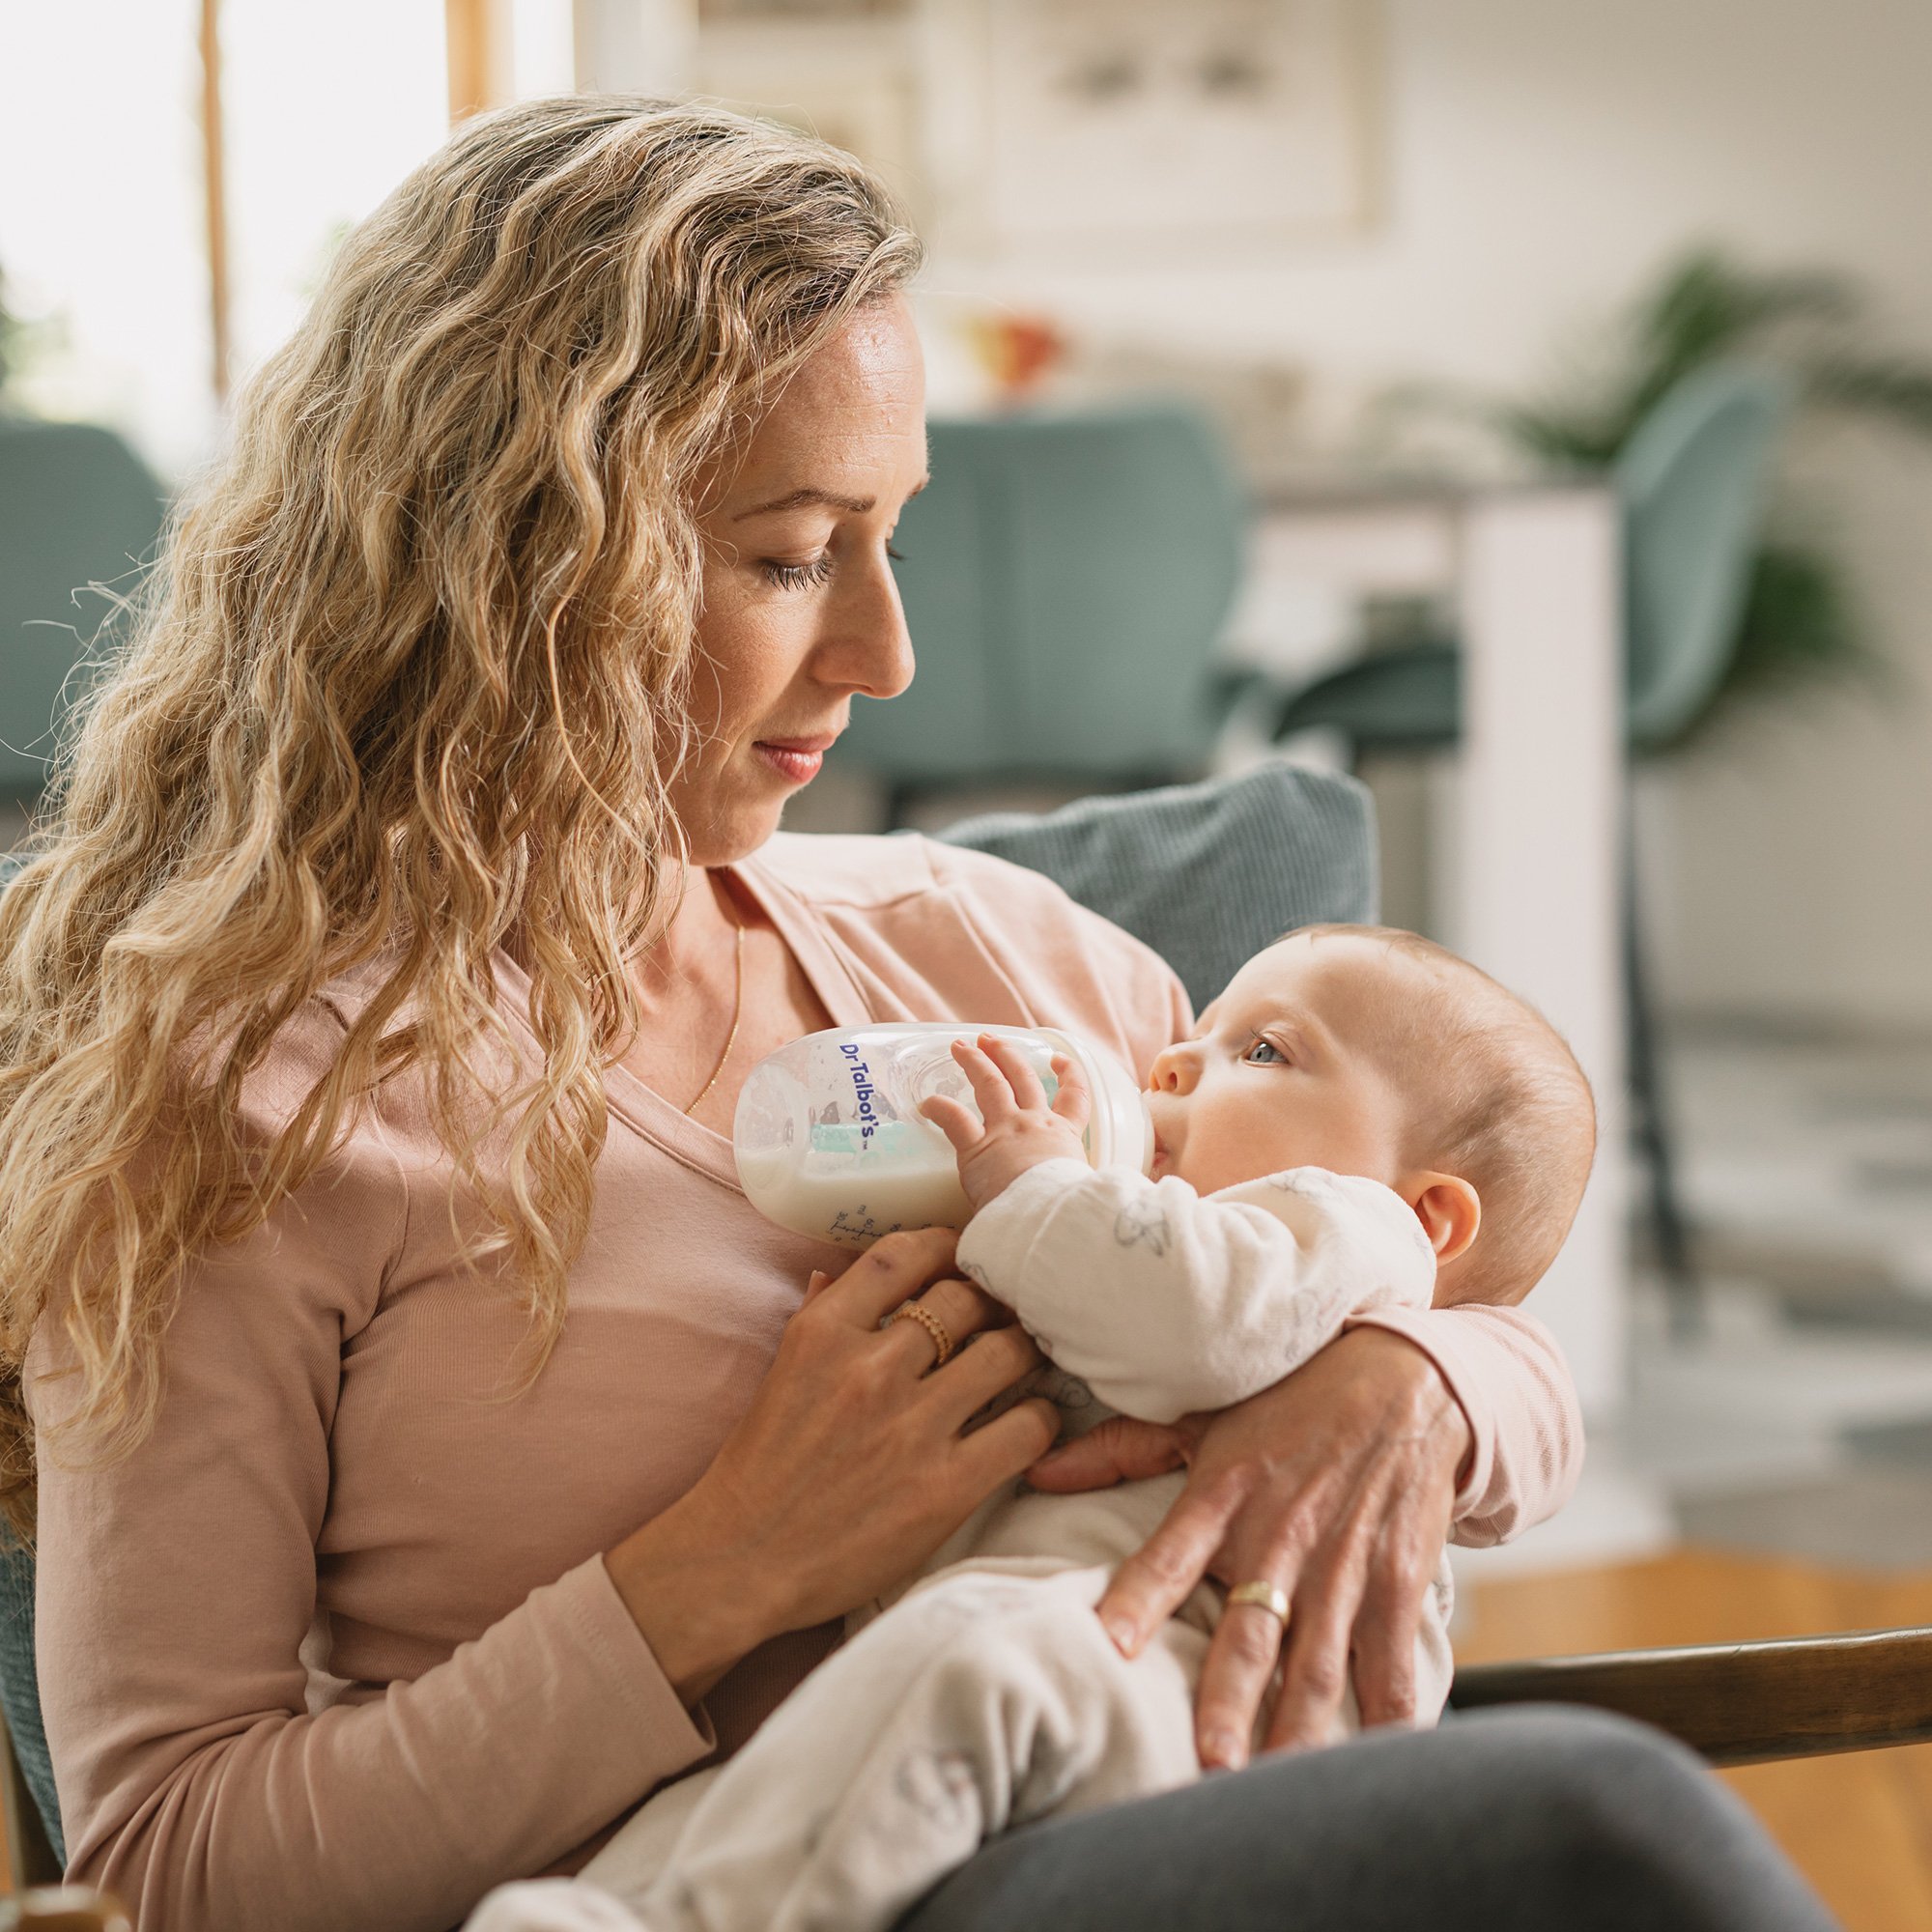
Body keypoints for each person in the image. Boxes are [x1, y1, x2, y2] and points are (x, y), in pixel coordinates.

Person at [0, 97, 1834, 1932]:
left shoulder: (990, 958)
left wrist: (1413, 1384)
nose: (886, 656)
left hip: (1142, 1838)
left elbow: (1457, 1253)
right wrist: (708, 1577)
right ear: (514, 563)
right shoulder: (255, 1110)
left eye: (890, 540)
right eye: (792, 553)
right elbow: (171, 1866)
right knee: (1596, 1823)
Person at [467, 924, 1599, 1932]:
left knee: (965, 1656)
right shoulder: (1166, 1231)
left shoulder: (1342, 1229)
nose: (1170, 1061)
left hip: (1205, 1693)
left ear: (1427, 1212)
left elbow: (1191, 1325)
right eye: (1198, 1034)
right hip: (1078, 1687)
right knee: (758, 1787)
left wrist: (1031, 1182)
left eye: (1263, 1051)